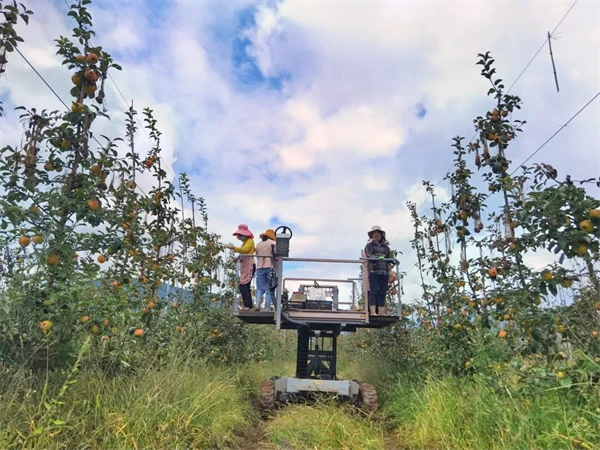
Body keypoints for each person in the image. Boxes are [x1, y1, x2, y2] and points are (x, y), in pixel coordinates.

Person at [224, 224, 256, 312]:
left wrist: (232, 247)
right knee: (245, 285)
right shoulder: (245, 242)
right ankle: (248, 306)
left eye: (241, 235)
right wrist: (238, 258)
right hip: (245, 265)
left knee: (243, 285)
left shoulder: (250, 241)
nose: (240, 237)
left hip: (249, 265)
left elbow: (245, 250)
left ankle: (247, 305)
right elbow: (244, 253)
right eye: (239, 235)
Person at [364, 225, 392, 316]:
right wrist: (378, 257)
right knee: (373, 290)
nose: (376, 235)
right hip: (374, 271)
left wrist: (390, 270)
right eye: (374, 233)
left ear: (381, 235)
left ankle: (381, 312)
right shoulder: (369, 246)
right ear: (372, 235)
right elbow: (368, 255)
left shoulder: (386, 247)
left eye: (378, 233)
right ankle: (373, 311)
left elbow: (389, 259)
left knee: (382, 291)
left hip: (384, 271)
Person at [255, 228, 277, 311]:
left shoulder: (258, 244)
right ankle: (266, 309)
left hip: (260, 267)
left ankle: (257, 304)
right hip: (270, 266)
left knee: (260, 288)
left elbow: (257, 256)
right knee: (269, 289)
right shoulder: (274, 243)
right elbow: (277, 257)